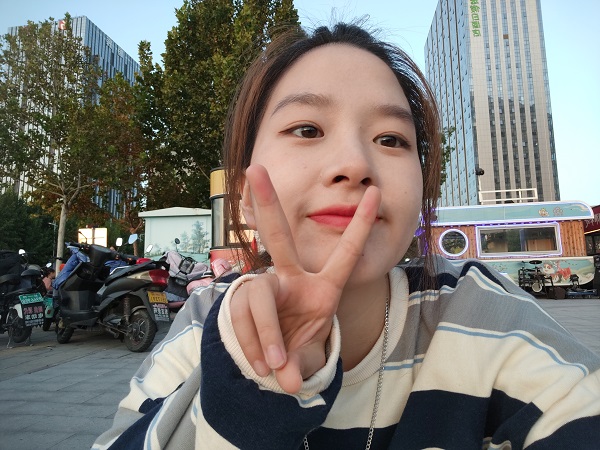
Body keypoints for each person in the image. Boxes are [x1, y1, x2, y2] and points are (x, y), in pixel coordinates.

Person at [93, 22, 600, 449]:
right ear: (244, 195)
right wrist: (254, 383)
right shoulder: (204, 321)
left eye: (390, 139)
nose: (355, 164)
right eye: (307, 130)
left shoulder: (486, 317)